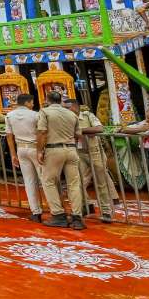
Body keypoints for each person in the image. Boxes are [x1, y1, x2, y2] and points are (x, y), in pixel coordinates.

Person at [36, 93, 86, 229]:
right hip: (71, 149)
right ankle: (77, 217)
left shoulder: (45, 112)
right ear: (60, 101)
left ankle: (58, 215)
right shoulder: (72, 114)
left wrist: (39, 151)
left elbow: (42, 132)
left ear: (47, 100)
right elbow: (78, 134)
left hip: (53, 149)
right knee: (74, 184)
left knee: (48, 181)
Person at [71, 97, 119, 223]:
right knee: (79, 183)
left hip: (95, 152)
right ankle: (87, 205)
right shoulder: (67, 118)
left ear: (74, 107)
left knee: (101, 182)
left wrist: (80, 131)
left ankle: (106, 211)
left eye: (67, 108)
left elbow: (99, 129)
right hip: (79, 153)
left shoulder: (88, 116)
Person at [4, 93, 43, 221]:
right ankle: (56, 211)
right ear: (27, 103)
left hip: (21, 149)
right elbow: (41, 133)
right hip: (35, 148)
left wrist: (13, 154)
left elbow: (9, 136)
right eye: (32, 102)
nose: (33, 104)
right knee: (46, 180)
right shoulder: (36, 115)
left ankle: (36, 212)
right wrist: (40, 150)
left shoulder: (9, 115)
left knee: (29, 181)